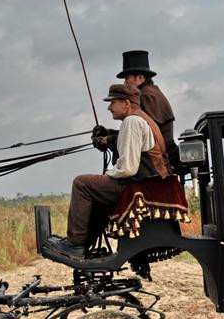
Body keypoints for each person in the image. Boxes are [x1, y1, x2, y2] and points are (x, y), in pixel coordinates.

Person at [46, 84, 171, 260]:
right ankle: (83, 242)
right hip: (148, 184)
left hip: (139, 187)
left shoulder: (132, 122)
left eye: (113, 102)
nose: (109, 107)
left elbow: (128, 168)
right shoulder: (143, 119)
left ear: (126, 104)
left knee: (81, 183)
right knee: (93, 185)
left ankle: (75, 245)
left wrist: (107, 176)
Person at [118, 50, 180, 171]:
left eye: (127, 78)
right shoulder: (150, 92)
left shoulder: (146, 95)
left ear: (140, 77)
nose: (124, 83)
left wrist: (109, 140)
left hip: (155, 164)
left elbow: (142, 135)